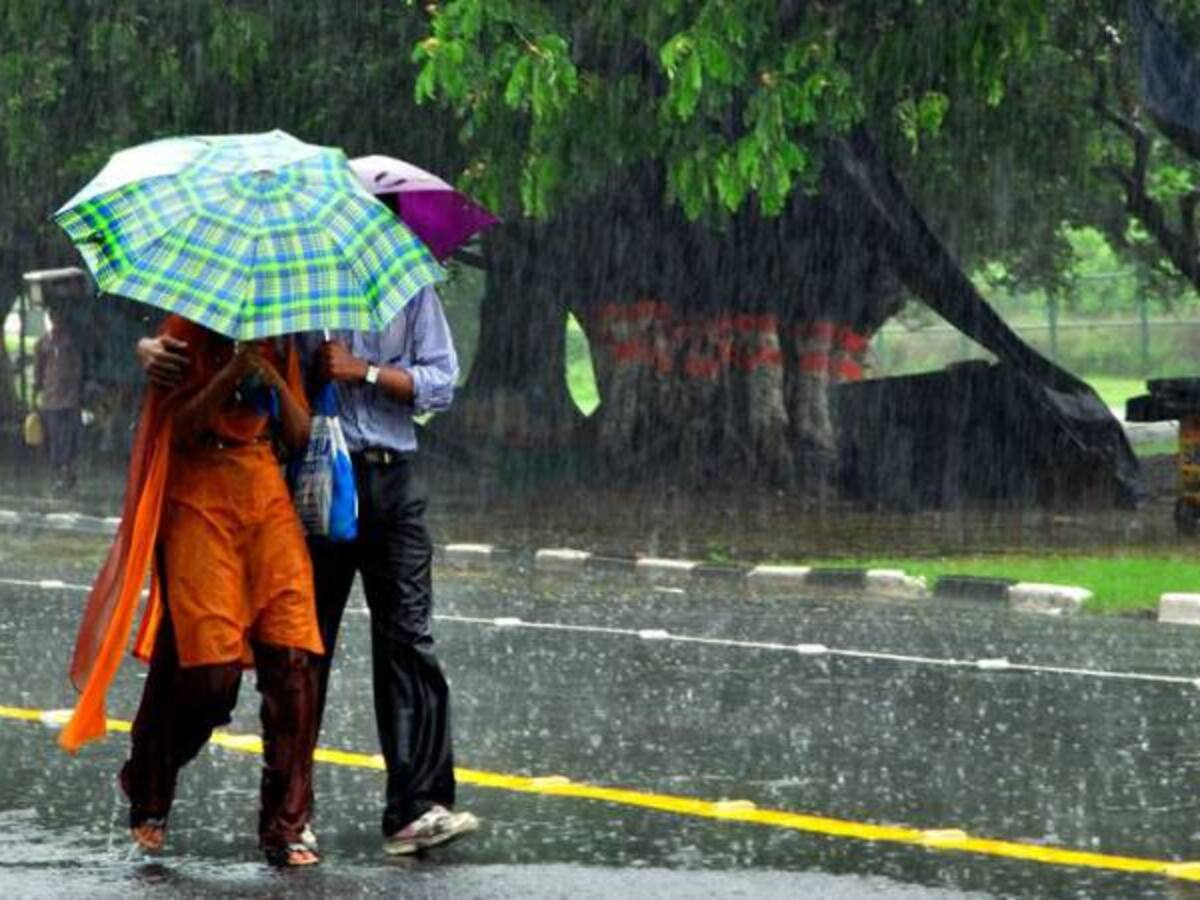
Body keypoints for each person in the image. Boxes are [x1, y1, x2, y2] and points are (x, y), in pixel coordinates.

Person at [135, 284, 476, 856]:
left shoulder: (410, 296)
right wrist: (152, 349)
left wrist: (362, 371)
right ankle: (280, 809)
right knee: (296, 654)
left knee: (403, 639)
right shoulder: (293, 299)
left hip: (388, 477)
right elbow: (193, 373)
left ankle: (408, 808)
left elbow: (440, 385)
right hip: (313, 485)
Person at [63, 315, 325, 868]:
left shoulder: (281, 337)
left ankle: (286, 824)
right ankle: (150, 774)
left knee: (294, 662)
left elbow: (299, 433)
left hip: (264, 495)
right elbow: (175, 426)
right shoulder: (180, 336)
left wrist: (270, 378)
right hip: (197, 494)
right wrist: (229, 372)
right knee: (210, 676)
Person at [33, 304, 84, 489]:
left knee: (70, 438)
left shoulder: (72, 342)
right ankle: (59, 474)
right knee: (55, 439)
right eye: (53, 317)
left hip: (70, 399)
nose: (57, 321)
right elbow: (39, 371)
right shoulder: (43, 343)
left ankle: (68, 473)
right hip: (51, 399)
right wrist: (36, 393)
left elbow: (79, 368)